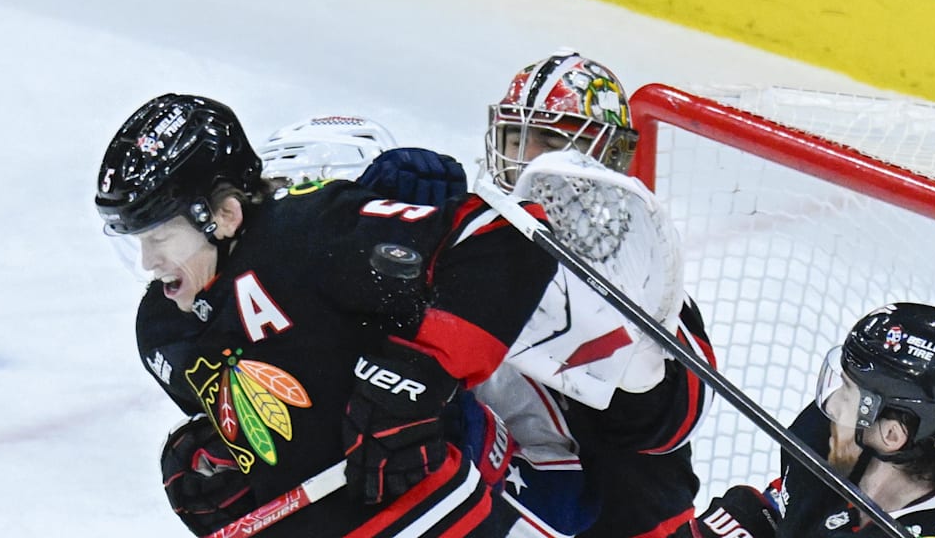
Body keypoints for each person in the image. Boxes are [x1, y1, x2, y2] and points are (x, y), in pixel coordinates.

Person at [276, 49, 717, 538]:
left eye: (551, 140)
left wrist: (625, 358)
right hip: (506, 511)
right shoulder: (477, 244)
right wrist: (390, 243)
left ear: (608, 156)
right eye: (517, 136)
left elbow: (666, 425)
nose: (529, 158)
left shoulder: (646, 282)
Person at [93, 94, 559, 536]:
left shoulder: (306, 233)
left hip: (430, 519)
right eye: (137, 241)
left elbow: (509, 239)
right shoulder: (162, 329)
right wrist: (218, 465)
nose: (148, 262)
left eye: (159, 237)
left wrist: (419, 373)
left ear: (226, 215)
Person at [681, 302, 935, 538]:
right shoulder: (834, 440)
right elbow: (789, 510)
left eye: (849, 393)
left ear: (892, 436)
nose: (834, 402)